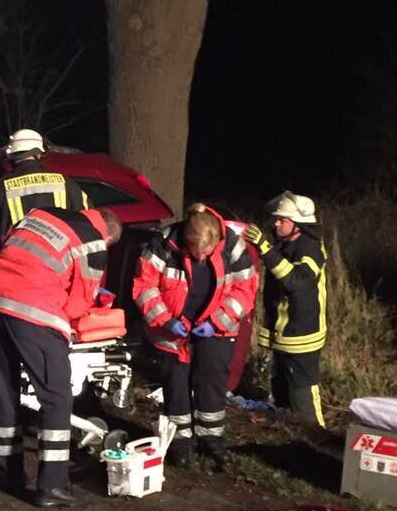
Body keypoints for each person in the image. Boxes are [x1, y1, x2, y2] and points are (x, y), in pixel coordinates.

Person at [0, 206, 124, 506]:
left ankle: (10, 474)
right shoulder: (94, 243)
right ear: (107, 237)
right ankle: (52, 486)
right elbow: (78, 302)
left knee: (4, 392)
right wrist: (69, 323)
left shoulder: (41, 215)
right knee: (57, 397)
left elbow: (14, 248)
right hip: (33, 313)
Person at [132, 203, 258, 469]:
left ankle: (212, 438)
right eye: (195, 253)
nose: (201, 259)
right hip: (171, 328)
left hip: (216, 327)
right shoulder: (163, 244)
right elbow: (145, 287)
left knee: (211, 381)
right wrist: (166, 320)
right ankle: (180, 441)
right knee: (176, 383)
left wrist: (217, 322)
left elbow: (244, 290)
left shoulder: (233, 247)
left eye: (207, 254)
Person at [244, 191, 327, 426]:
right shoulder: (285, 244)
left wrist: (264, 248)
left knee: (303, 393)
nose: (276, 223)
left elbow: (296, 281)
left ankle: (317, 441)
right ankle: (285, 433)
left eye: (283, 220)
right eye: (277, 218)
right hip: (283, 334)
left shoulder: (310, 248)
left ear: (298, 224)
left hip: (302, 336)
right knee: (279, 388)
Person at [0, 128, 89, 255]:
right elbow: (87, 218)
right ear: (38, 154)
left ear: (12, 156)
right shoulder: (67, 184)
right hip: (59, 266)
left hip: (18, 265)